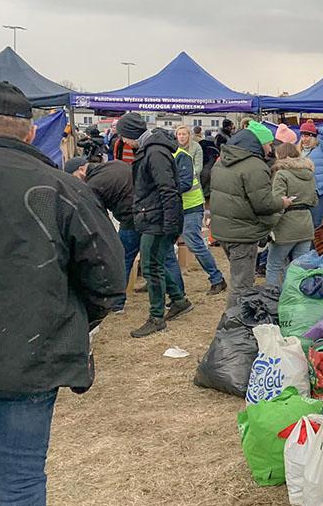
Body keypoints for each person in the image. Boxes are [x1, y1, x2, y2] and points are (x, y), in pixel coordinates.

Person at [0, 82, 126, 506]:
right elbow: (108, 278)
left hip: (33, 351)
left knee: (19, 479)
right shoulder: (60, 185)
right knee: (19, 478)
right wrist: (72, 318)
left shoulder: (60, 187)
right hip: (31, 356)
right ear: (31, 131)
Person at [64, 155, 182, 312]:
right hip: (149, 213)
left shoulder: (93, 185)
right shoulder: (115, 164)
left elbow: (99, 216)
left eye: (74, 177)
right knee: (162, 259)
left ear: (81, 170)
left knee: (123, 258)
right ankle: (178, 295)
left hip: (131, 219)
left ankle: (117, 303)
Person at [118, 112, 193, 337]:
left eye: (123, 136)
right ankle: (179, 300)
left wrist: (170, 224)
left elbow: (168, 189)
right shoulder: (151, 149)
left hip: (157, 219)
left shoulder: (154, 152)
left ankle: (156, 317)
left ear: (131, 134)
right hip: (152, 216)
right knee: (155, 264)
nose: (122, 141)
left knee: (151, 267)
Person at [209, 122, 290, 308]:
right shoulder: (255, 166)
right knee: (242, 286)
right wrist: (282, 203)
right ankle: (234, 327)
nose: (270, 149)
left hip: (224, 230)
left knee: (237, 278)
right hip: (243, 233)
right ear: (258, 143)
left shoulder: (222, 161)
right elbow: (263, 204)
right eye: (268, 143)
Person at [174, 132, 227, 295]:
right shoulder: (166, 155)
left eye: (184, 134)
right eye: (179, 134)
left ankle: (217, 278)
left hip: (191, 206)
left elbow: (186, 183)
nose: (181, 136)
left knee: (193, 242)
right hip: (176, 206)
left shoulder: (181, 156)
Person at [266, 143, 317, 287]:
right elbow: (314, 201)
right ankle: (294, 301)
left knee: (274, 265)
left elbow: (277, 202)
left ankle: (273, 300)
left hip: (285, 225)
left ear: (280, 156)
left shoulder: (281, 174)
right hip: (306, 224)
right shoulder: (310, 174)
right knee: (298, 269)